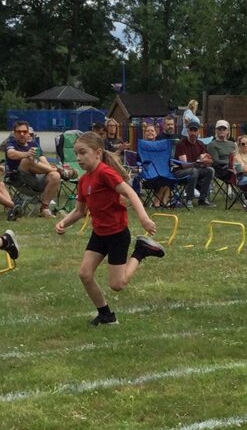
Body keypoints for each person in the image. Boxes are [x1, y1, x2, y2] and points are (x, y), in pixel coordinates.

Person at [54, 132, 165, 326]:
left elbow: (130, 192)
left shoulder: (105, 173)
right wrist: (64, 222)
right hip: (99, 234)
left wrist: (144, 219)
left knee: (117, 285)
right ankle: (106, 315)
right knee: (85, 274)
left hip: (117, 234)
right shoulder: (84, 180)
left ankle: (141, 251)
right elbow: (80, 211)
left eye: (83, 153)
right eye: (76, 153)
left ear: (98, 153)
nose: (78, 158)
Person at [5, 120, 61, 218]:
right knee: (27, 160)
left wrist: (49, 168)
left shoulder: (34, 145)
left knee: (55, 176)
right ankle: (59, 171)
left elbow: (43, 160)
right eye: (19, 132)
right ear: (14, 133)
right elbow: (11, 154)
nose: (22, 134)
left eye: (24, 132)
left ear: (28, 133)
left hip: (34, 180)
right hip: (19, 180)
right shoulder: (11, 144)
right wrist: (27, 154)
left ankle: (44, 208)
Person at [173, 119, 215, 208]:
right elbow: (184, 165)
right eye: (191, 130)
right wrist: (198, 163)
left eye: (195, 130)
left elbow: (204, 158)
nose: (193, 133)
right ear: (187, 131)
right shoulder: (181, 144)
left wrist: (206, 162)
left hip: (195, 169)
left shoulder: (201, 144)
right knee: (194, 171)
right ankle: (189, 199)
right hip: (179, 171)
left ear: (198, 132)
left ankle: (203, 199)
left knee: (210, 170)